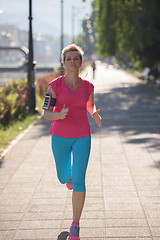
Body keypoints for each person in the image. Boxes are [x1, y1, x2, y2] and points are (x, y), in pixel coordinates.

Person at [43, 44, 102, 240]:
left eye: (76, 58)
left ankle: (75, 225)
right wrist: (58, 114)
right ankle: (67, 176)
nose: (72, 62)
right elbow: (46, 113)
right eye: (69, 59)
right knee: (63, 177)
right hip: (59, 136)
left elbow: (89, 104)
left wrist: (94, 114)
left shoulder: (88, 86)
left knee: (79, 180)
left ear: (81, 62)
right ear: (63, 62)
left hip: (82, 136)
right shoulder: (54, 86)